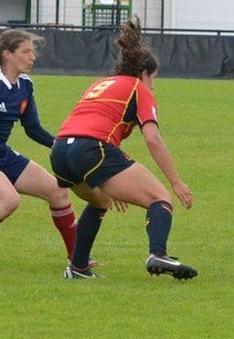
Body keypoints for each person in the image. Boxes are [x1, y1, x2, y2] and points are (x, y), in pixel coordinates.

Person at [51, 19, 197, 280]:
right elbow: (152, 138)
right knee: (160, 198)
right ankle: (158, 254)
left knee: (100, 200)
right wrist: (176, 182)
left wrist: (108, 179)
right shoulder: (138, 88)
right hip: (91, 148)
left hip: (60, 150)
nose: (153, 85)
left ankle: (78, 267)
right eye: (153, 78)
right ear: (144, 73)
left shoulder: (100, 84)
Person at [0, 29, 78, 260]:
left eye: (33, 52)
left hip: (3, 154)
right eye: (26, 51)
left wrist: (62, 145)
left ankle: (78, 260)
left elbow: (32, 128)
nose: (32, 57)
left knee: (57, 192)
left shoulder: (25, 85)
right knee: (9, 200)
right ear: (7, 54)